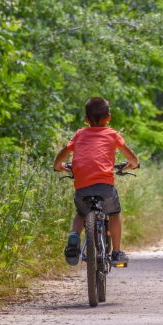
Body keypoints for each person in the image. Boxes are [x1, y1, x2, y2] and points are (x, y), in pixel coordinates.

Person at [53, 97, 139, 266]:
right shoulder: (112, 134)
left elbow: (63, 154)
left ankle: (74, 236)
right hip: (105, 187)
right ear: (109, 117)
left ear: (86, 119)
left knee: (81, 213)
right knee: (114, 213)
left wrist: (59, 166)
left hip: (82, 186)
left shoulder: (79, 134)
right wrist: (133, 165)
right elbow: (132, 158)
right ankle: (116, 252)